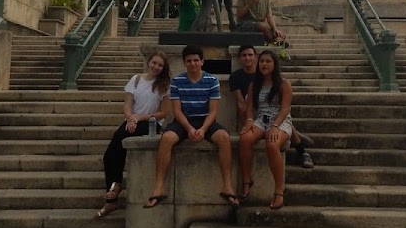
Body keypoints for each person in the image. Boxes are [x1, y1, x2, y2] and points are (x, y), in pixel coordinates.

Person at [145, 45, 239, 208]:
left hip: (206, 121)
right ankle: (159, 187)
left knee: (224, 137)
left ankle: (228, 185)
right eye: (189, 61)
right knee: (166, 138)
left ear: (202, 61)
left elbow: (213, 111)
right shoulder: (177, 81)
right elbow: (177, 111)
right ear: (184, 63)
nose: (193, 64)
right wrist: (189, 128)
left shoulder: (212, 81)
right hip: (183, 121)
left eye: (196, 60)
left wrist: (202, 129)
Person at [95, 51, 171, 219]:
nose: (156, 67)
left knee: (122, 140)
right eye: (154, 63)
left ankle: (115, 190)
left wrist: (139, 117)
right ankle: (113, 189)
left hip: (150, 123)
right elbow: (127, 104)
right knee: (110, 155)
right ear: (148, 62)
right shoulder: (136, 79)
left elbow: (164, 112)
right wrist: (130, 118)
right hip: (132, 121)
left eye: (160, 65)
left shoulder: (164, 85)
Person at [229, 45, 313, 171]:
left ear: (255, 57)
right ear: (240, 59)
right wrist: (249, 121)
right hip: (255, 110)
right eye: (244, 55)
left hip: (274, 112)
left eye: (250, 55)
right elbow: (242, 103)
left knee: (280, 120)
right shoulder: (237, 77)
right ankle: (296, 136)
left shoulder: (269, 76)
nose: (247, 58)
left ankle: (301, 150)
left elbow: (284, 107)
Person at [237, 50, 293, 210]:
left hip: (280, 120)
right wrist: (249, 121)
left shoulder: (284, 84)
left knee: (272, 143)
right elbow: (250, 108)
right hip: (261, 119)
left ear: (274, 64)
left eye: (268, 61)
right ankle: (247, 181)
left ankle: (279, 189)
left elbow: (284, 109)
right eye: (262, 61)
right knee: (245, 139)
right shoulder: (254, 85)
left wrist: (275, 126)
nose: (264, 64)